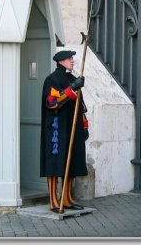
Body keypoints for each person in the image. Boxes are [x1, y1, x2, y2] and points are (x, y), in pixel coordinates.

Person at [40, 50, 89, 213]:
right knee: (54, 163)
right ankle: (53, 200)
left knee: (72, 161)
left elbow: (80, 107)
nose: (72, 61)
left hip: (72, 128)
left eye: (72, 58)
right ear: (60, 61)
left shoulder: (73, 79)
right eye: (69, 59)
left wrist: (84, 126)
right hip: (56, 129)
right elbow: (52, 102)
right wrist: (71, 89)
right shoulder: (52, 80)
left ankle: (67, 198)